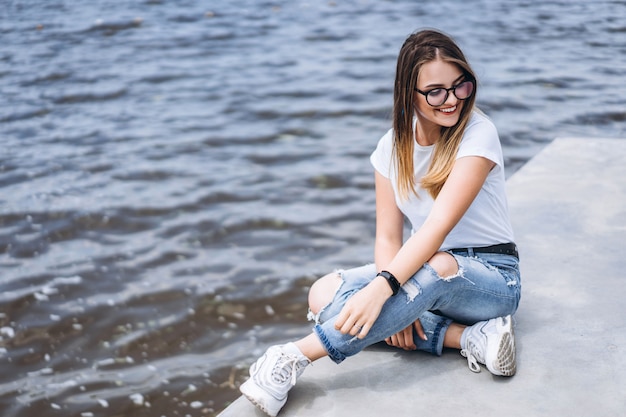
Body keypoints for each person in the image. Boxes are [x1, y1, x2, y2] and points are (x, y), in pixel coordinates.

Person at [240, 28, 521, 417]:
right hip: (423, 268)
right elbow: (388, 237)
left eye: (461, 86)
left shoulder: (479, 133)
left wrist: (387, 287)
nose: (452, 100)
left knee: (431, 269)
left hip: (491, 278)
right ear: (409, 93)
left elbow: (435, 228)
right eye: (436, 91)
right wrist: (392, 290)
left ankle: (291, 357)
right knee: (323, 293)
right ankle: (467, 338)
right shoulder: (390, 148)